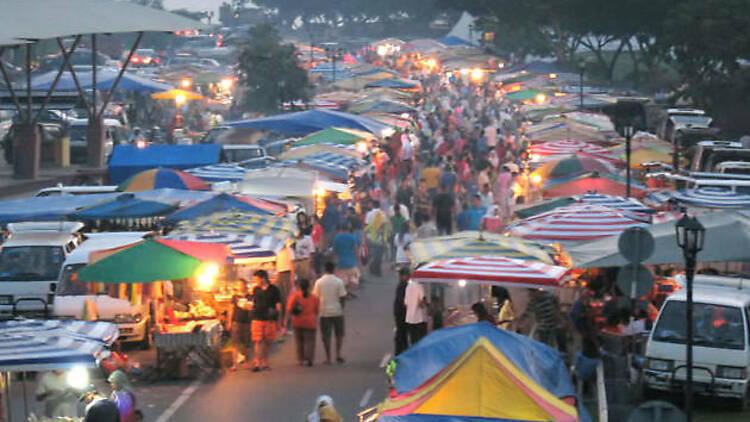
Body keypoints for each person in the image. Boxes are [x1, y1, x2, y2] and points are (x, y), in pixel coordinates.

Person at [313, 262, 347, 364]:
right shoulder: (339, 282)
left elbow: (315, 298)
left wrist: (316, 310)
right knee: (339, 334)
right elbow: (343, 297)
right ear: (334, 269)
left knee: (326, 336)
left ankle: (328, 357)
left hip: (324, 312)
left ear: (324, 269)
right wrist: (341, 307)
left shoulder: (319, 282)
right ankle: (338, 354)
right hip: (337, 311)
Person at [250, 270, 282, 371]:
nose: (255, 282)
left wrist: (278, 318)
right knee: (257, 340)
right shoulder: (255, 290)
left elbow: (278, 304)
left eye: (256, 279)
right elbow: (252, 303)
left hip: (269, 319)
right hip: (257, 317)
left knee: (266, 341)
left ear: (263, 279)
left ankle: (265, 362)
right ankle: (257, 363)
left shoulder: (274, 289)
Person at [287, 279, 319, 366]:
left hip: (298, 322)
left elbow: (289, 308)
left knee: (299, 341)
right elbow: (317, 310)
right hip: (310, 322)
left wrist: (286, 321)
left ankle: (300, 360)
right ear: (309, 286)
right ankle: (310, 359)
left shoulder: (295, 296)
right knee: (310, 341)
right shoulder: (313, 297)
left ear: (299, 287)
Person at [229, 280, 252, 371]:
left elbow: (252, 307)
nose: (239, 286)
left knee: (247, 343)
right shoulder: (234, 297)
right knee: (235, 343)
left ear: (245, 285)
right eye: (237, 284)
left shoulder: (250, 296)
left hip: (247, 321)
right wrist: (229, 322)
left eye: (240, 284)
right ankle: (234, 364)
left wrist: (247, 306)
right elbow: (231, 309)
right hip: (236, 321)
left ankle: (246, 362)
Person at [332, 224, 360, 295]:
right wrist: (359, 260)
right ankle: (349, 291)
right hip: (351, 262)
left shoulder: (337, 238)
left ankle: (345, 292)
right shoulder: (352, 237)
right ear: (348, 229)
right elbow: (356, 249)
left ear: (341, 229)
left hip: (340, 262)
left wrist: (334, 261)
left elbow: (334, 251)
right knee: (354, 278)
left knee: (342, 280)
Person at [274, 244, 295, 337]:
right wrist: (276, 279)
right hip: (280, 275)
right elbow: (278, 267)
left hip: (287, 274)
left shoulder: (289, 250)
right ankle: (282, 323)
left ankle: (288, 323)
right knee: (280, 300)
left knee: (287, 300)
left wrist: (292, 278)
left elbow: (292, 265)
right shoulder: (277, 251)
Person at [364, 202, 388, 277]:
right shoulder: (383, 214)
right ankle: (377, 270)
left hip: (371, 238)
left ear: (372, 205)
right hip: (381, 239)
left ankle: (373, 269)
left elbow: (366, 227)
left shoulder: (369, 214)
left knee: (373, 254)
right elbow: (385, 227)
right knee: (379, 255)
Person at [404, 278, 427, 346]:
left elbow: (405, 304)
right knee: (420, 341)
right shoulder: (420, 286)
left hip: (409, 319)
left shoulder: (408, 287)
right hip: (419, 319)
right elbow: (422, 303)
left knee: (413, 341)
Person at [394, 268, 410, 355]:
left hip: (400, 314)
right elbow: (403, 301)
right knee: (402, 336)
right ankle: (400, 355)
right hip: (402, 314)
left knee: (401, 335)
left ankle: (401, 353)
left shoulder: (402, 285)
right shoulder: (403, 286)